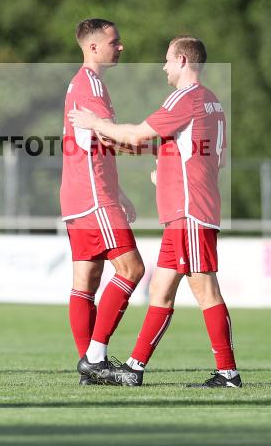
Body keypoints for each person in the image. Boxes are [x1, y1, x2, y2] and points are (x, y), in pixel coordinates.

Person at [69, 35, 238, 388]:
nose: (163, 67)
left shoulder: (185, 97)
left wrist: (94, 123)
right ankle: (134, 367)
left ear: (181, 61)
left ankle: (228, 373)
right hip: (189, 207)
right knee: (160, 290)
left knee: (205, 288)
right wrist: (167, 175)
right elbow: (212, 158)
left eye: (166, 60)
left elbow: (136, 136)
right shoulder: (213, 102)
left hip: (190, 211)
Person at [62, 19, 145, 385]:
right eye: (115, 41)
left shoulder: (80, 83)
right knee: (131, 270)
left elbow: (95, 143)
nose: (121, 47)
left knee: (86, 281)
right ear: (93, 47)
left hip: (80, 193)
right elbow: (111, 139)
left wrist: (120, 191)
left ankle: (89, 367)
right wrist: (157, 143)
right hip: (93, 194)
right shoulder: (91, 85)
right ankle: (94, 359)